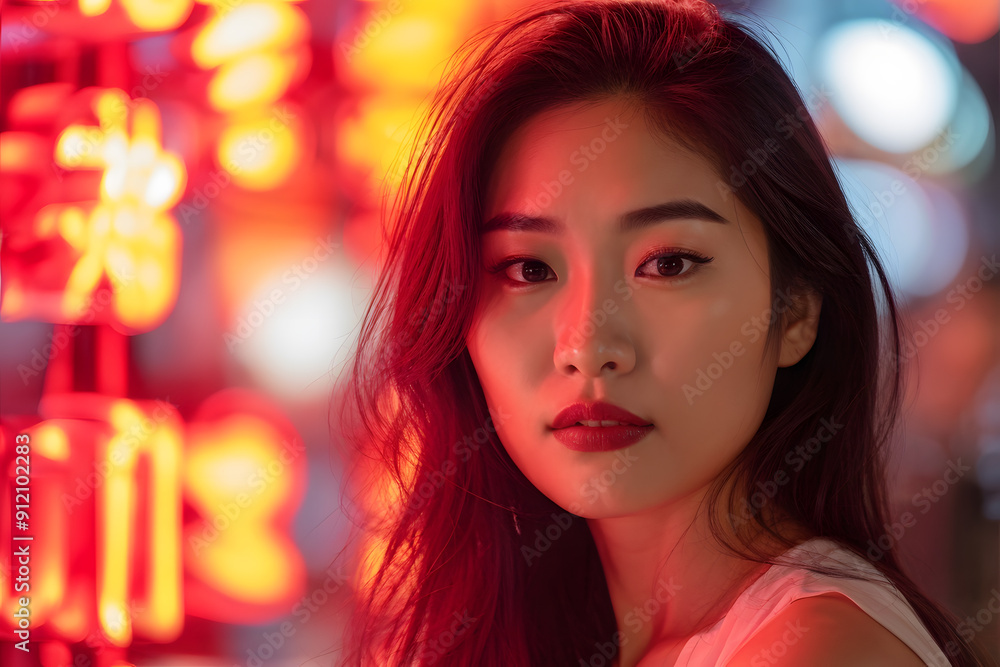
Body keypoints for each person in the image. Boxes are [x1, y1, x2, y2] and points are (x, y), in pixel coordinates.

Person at [333, 1, 992, 664]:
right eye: (528, 268)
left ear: (795, 309)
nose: (588, 347)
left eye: (668, 263)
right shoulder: (566, 628)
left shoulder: (814, 648)